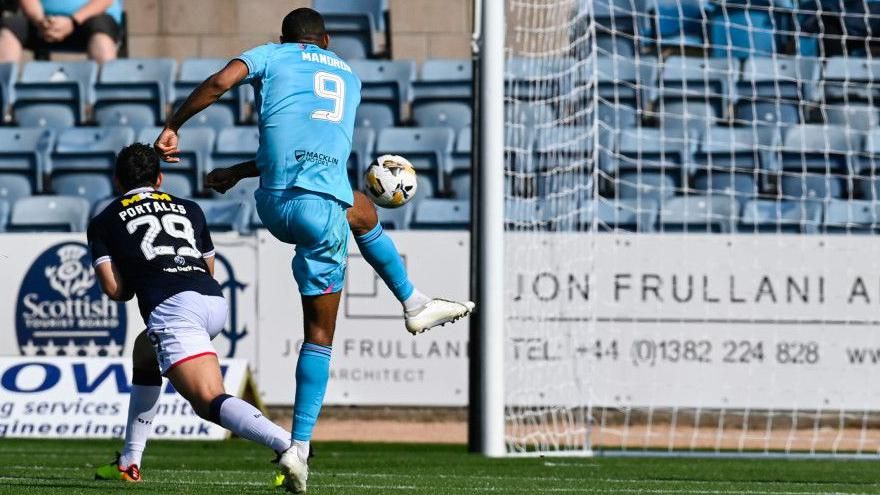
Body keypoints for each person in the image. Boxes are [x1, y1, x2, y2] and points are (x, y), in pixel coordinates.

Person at [154, 8, 474, 493]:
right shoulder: (348, 74)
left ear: (284, 39)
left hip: (275, 204)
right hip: (319, 210)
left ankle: (414, 301)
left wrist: (176, 124)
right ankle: (300, 447)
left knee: (362, 210)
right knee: (320, 335)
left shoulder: (270, 55)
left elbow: (222, 84)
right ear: (324, 41)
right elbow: (308, 136)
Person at [90, 144, 297, 486]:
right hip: (211, 301)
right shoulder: (189, 208)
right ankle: (129, 460)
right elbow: (209, 267)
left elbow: (116, 290)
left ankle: (289, 446)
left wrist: (138, 274)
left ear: (116, 182)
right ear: (159, 178)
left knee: (208, 400)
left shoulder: (104, 220)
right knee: (144, 353)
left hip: (173, 308)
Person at [0, 0, 122, 63]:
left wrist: (73, 21)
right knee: (10, 28)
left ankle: (106, 101)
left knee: (101, 34)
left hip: (90, 17)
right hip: (43, 21)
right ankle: (3, 99)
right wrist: (40, 21)